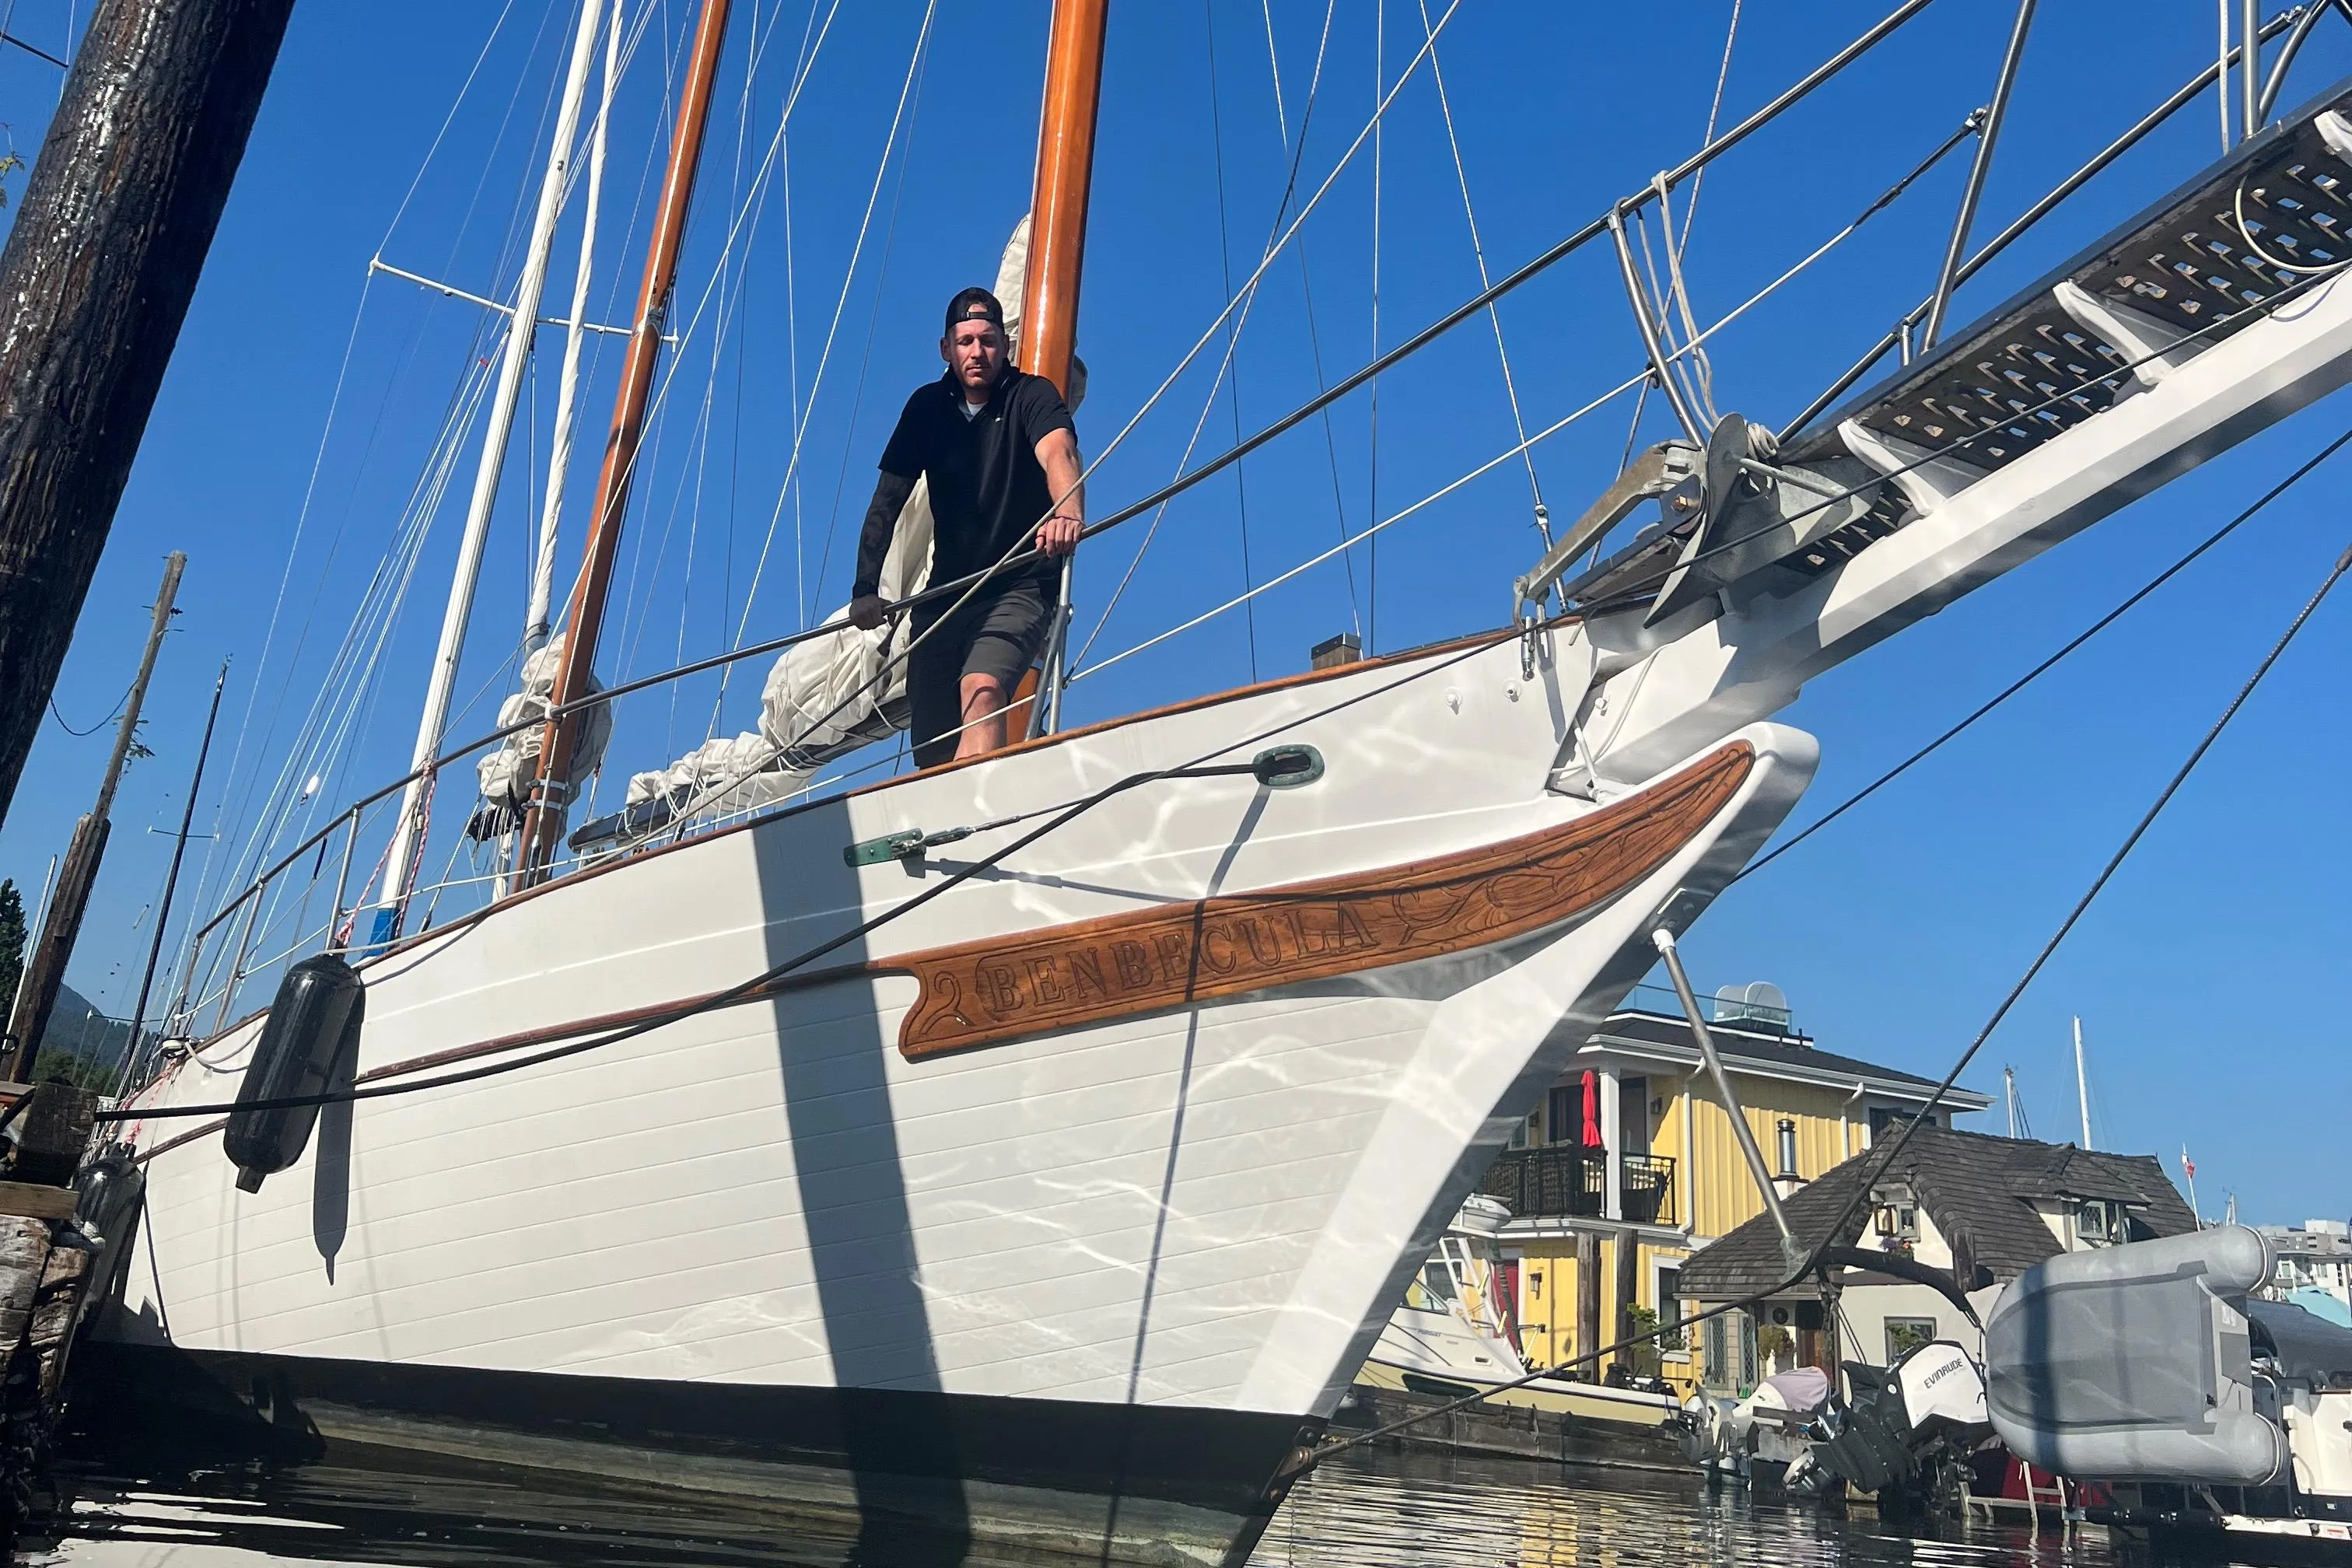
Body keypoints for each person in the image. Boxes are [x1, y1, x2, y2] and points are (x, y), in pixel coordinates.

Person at [848, 286, 1083, 767]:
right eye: (966, 341)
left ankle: (978, 823)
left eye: (989, 340)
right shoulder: (926, 408)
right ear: (946, 349)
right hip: (944, 596)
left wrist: (1068, 511)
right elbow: (887, 499)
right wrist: (865, 588)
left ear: (1005, 346)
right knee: (932, 750)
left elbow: (1058, 451)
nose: (978, 352)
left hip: (1017, 583)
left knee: (982, 689)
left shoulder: (1031, 395)